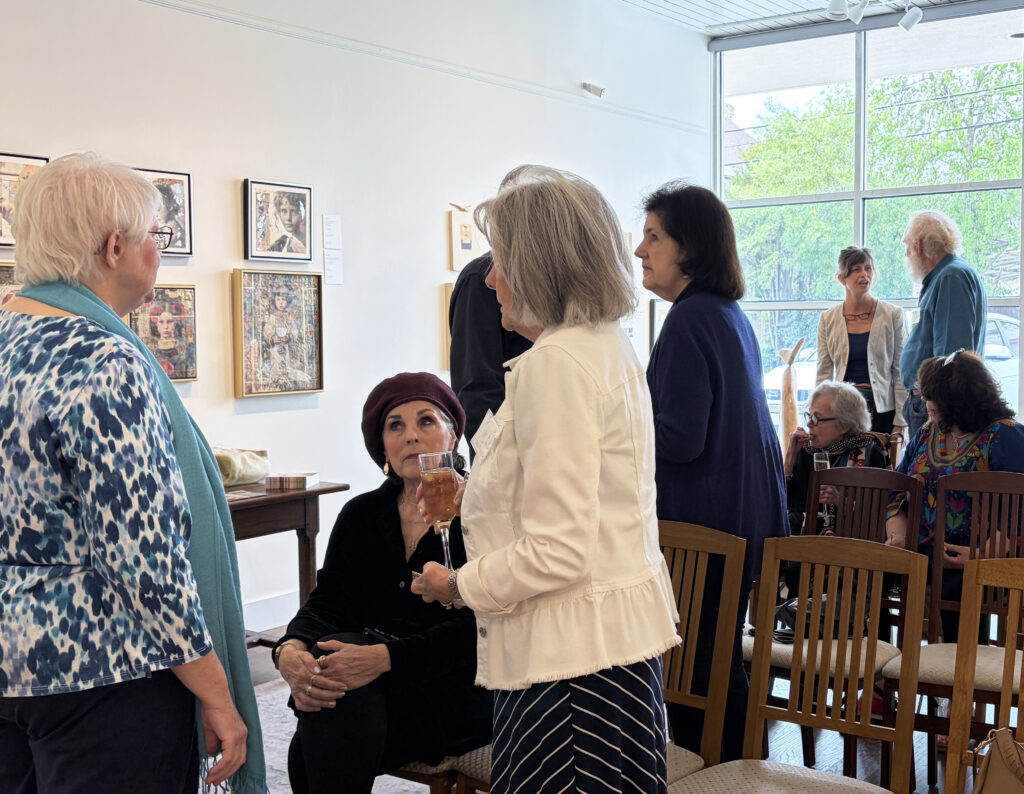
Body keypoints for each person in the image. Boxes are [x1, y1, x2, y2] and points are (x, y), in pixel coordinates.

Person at [0, 153, 262, 792]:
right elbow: (145, 561)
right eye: (156, 235)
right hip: (103, 672)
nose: (159, 250)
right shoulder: (105, 360)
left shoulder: (8, 337)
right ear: (115, 247)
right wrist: (217, 691)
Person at [413, 166, 679, 794]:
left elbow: (558, 549)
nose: (490, 280)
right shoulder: (604, 344)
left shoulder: (555, 363)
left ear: (539, 266)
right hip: (607, 652)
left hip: (567, 666)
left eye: (501, 261)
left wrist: (457, 586)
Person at [273, 372, 491, 794]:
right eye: (395, 426)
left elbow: (480, 630)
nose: (411, 436)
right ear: (383, 447)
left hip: (454, 687)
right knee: (332, 676)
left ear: (452, 435)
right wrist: (290, 648)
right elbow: (330, 600)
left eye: (425, 421)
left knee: (317, 736)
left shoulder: (482, 512)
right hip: (373, 687)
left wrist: (385, 658)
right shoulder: (362, 514)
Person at [636, 181, 787, 761]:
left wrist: (615, 430)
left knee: (697, 671)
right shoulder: (725, 314)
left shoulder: (689, 318)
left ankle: (717, 774)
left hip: (702, 525)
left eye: (654, 237)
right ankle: (742, 768)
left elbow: (679, 437)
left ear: (690, 247)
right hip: (739, 515)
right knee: (717, 663)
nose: (640, 250)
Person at [886, 351, 1024, 642]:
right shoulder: (927, 433)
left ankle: (959, 667)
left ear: (962, 398)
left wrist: (981, 555)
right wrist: (898, 537)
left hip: (981, 558)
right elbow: (896, 490)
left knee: (957, 586)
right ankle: (881, 662)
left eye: (933, 396)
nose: (926, 401)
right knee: (869, 571)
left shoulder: (1005, 435)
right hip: (921, 553)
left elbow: (1017, 509)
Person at [899, 211, 987, 438]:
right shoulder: (946, 275)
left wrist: (935, 409)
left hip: (936, 405)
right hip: (929, 402)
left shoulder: (950, 277)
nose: (906, 254)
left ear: (918, 246)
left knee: (934, 462)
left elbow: (950, 358)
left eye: (907, 246)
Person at [816, 246, 908, 436]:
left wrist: (901, 421)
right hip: (841, 412)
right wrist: (816, 416)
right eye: (856, 270)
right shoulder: (828, 319)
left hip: (882, 411)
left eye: (868, 268)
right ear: (842, 278)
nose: (864, 274)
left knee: (879, 456)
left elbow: (901, 371)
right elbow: (824, 373)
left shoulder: (893, 315)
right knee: (842, 456)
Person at [448, 252, 531, 452]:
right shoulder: (479, 280)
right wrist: (504, 462)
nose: (491, 280)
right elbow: (477, 395)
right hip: (515, 458)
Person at [784, 381, 889, 537]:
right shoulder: (806, 451)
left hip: (850, 542)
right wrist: (790, 456)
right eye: (809, 416)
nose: (809, 424)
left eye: (816, 418)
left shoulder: (869, 454)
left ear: (844, 425)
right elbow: (781, 503)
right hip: (800, 538)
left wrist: (840, 501)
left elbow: (881, 513)